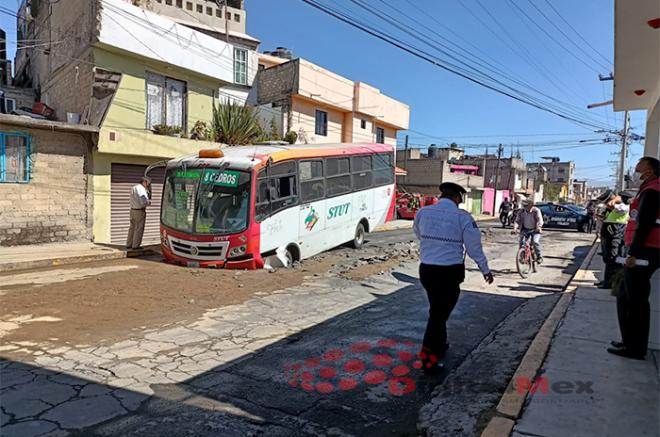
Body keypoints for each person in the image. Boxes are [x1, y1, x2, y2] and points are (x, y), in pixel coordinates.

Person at [413, 182, 494, 374]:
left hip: (427, 271)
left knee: (437, 310)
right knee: (438, 315)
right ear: (458, 198)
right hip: (449, 273)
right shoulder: (463, 217)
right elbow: (474, 248)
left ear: (442, 196)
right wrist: (485, 269)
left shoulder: (423, 213)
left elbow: (418, 234)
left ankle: (440, 345)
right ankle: (428, 360)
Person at [608, 156, 660, 360]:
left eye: (639, 170)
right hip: (646, 249)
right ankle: (629, 341)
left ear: (651, 171)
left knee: (634, 300)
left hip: (646, 250)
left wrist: (633, 253)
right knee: (625, 295)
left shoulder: (653, 190)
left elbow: (644, 224)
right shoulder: (650, 188)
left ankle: (635, 348)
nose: (635, 174)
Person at [595, 192, 629, 288]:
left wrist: (613, 199)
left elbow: (611, 205)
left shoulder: (623, 207)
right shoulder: (615, 207)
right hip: (609, 236)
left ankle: (611, 283)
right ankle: (607, 280)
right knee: (608, 259)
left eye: (606, 201)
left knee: (613, 259)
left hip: (615, 237)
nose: (606, 204)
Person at [512, 199, 544, 264]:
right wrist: (515, 229)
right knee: (521, 242)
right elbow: (517, 221)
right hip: (525, 229)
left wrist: (538, 227)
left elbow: (539, 220)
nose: (526, 207)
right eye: (524, 206)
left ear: (531, 206)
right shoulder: (521, 212)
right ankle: (522, 257)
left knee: (535, 242)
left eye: (527, 206)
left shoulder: (536, 211)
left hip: (535, 230)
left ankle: (539, 257)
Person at [126, 176, 152, 250]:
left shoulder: (134, 187)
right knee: (139, 228)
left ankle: (129, 244)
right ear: (144, 182)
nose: (148, 185)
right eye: (148, 183)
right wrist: (149, 202)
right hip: (139, 211)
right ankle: (136, 246)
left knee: (132, 228)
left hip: (132, 210)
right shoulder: (141, 189)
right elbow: (143, 202)